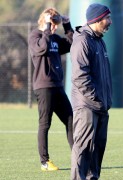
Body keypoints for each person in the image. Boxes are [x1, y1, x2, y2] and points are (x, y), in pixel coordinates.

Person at [69, 3, 115, 180]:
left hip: (102, 105)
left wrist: (106, 99)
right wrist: (96, 98)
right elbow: (80, 77)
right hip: (87, 104)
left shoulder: (99, 41)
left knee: (99, 145)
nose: (110, 22)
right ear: (97, 19)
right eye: (107, 18)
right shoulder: (82, 41)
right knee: (84, 145)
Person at [28, 8, 74, 171]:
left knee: (71, 121)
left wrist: (67, 25)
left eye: (55, 25)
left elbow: (71, 44)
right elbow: (41, 48)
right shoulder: (35, 36)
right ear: (44, 21)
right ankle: (44, 162)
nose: (54, 28)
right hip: (43, 87)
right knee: (45, 124)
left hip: (57, 86)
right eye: (52, 25)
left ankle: (78, 157)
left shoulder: (54, 37)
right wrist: (47, 28)